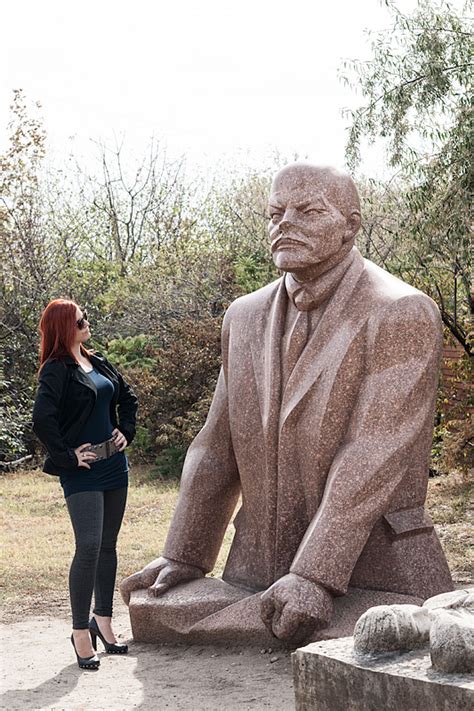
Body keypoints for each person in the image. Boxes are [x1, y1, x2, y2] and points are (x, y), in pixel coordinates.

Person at [121, 164, 452, 644]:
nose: (284, 225)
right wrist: (186, 554)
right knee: (165, 611)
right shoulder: (244, 315)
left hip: (378, 572)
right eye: (275, 213)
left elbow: (374, 453)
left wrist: (315, 575)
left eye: (308, 211)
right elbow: (216, 444)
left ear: (351, 224)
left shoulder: (400, 310)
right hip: (255, 566)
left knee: (379, 636)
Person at [33, 299, 138, 669]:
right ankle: (80, 632)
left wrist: (126, 430)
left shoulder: (98, 361)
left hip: (115, 466)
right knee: (89, 546)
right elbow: (42, 420)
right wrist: (66, 457)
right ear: (65, 327)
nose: (87, 323)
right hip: (83, 471)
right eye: (81, 320)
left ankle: (104, 623)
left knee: (108, 545)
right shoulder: (56, 370)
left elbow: (127, 397)